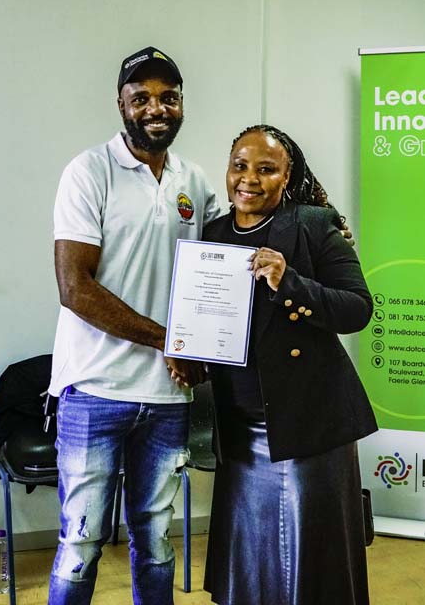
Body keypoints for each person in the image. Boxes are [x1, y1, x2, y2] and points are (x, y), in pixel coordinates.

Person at [47, 46, 220, 605]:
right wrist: (170, 340)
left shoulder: (194, 180)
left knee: (155, 540)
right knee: (81, 544)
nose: (156, 108)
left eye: (168, 97)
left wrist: (315, 224)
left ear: (182, 104)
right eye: (141, 97)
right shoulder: (89, 171)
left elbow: (223, 266)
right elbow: (75, 288)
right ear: (120, 104)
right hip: (94, 389)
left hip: (168, 395)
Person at [203, 124, 378, 605]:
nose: (249, 179)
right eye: (239, 166)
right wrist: (186, 352)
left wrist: (291, 283)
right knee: (253, 556)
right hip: (241, 426)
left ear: (287, 176)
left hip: (308, 423)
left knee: (310, 563)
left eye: (266, 169)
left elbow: (357, 309)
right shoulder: (213, 234)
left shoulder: (312, 225)